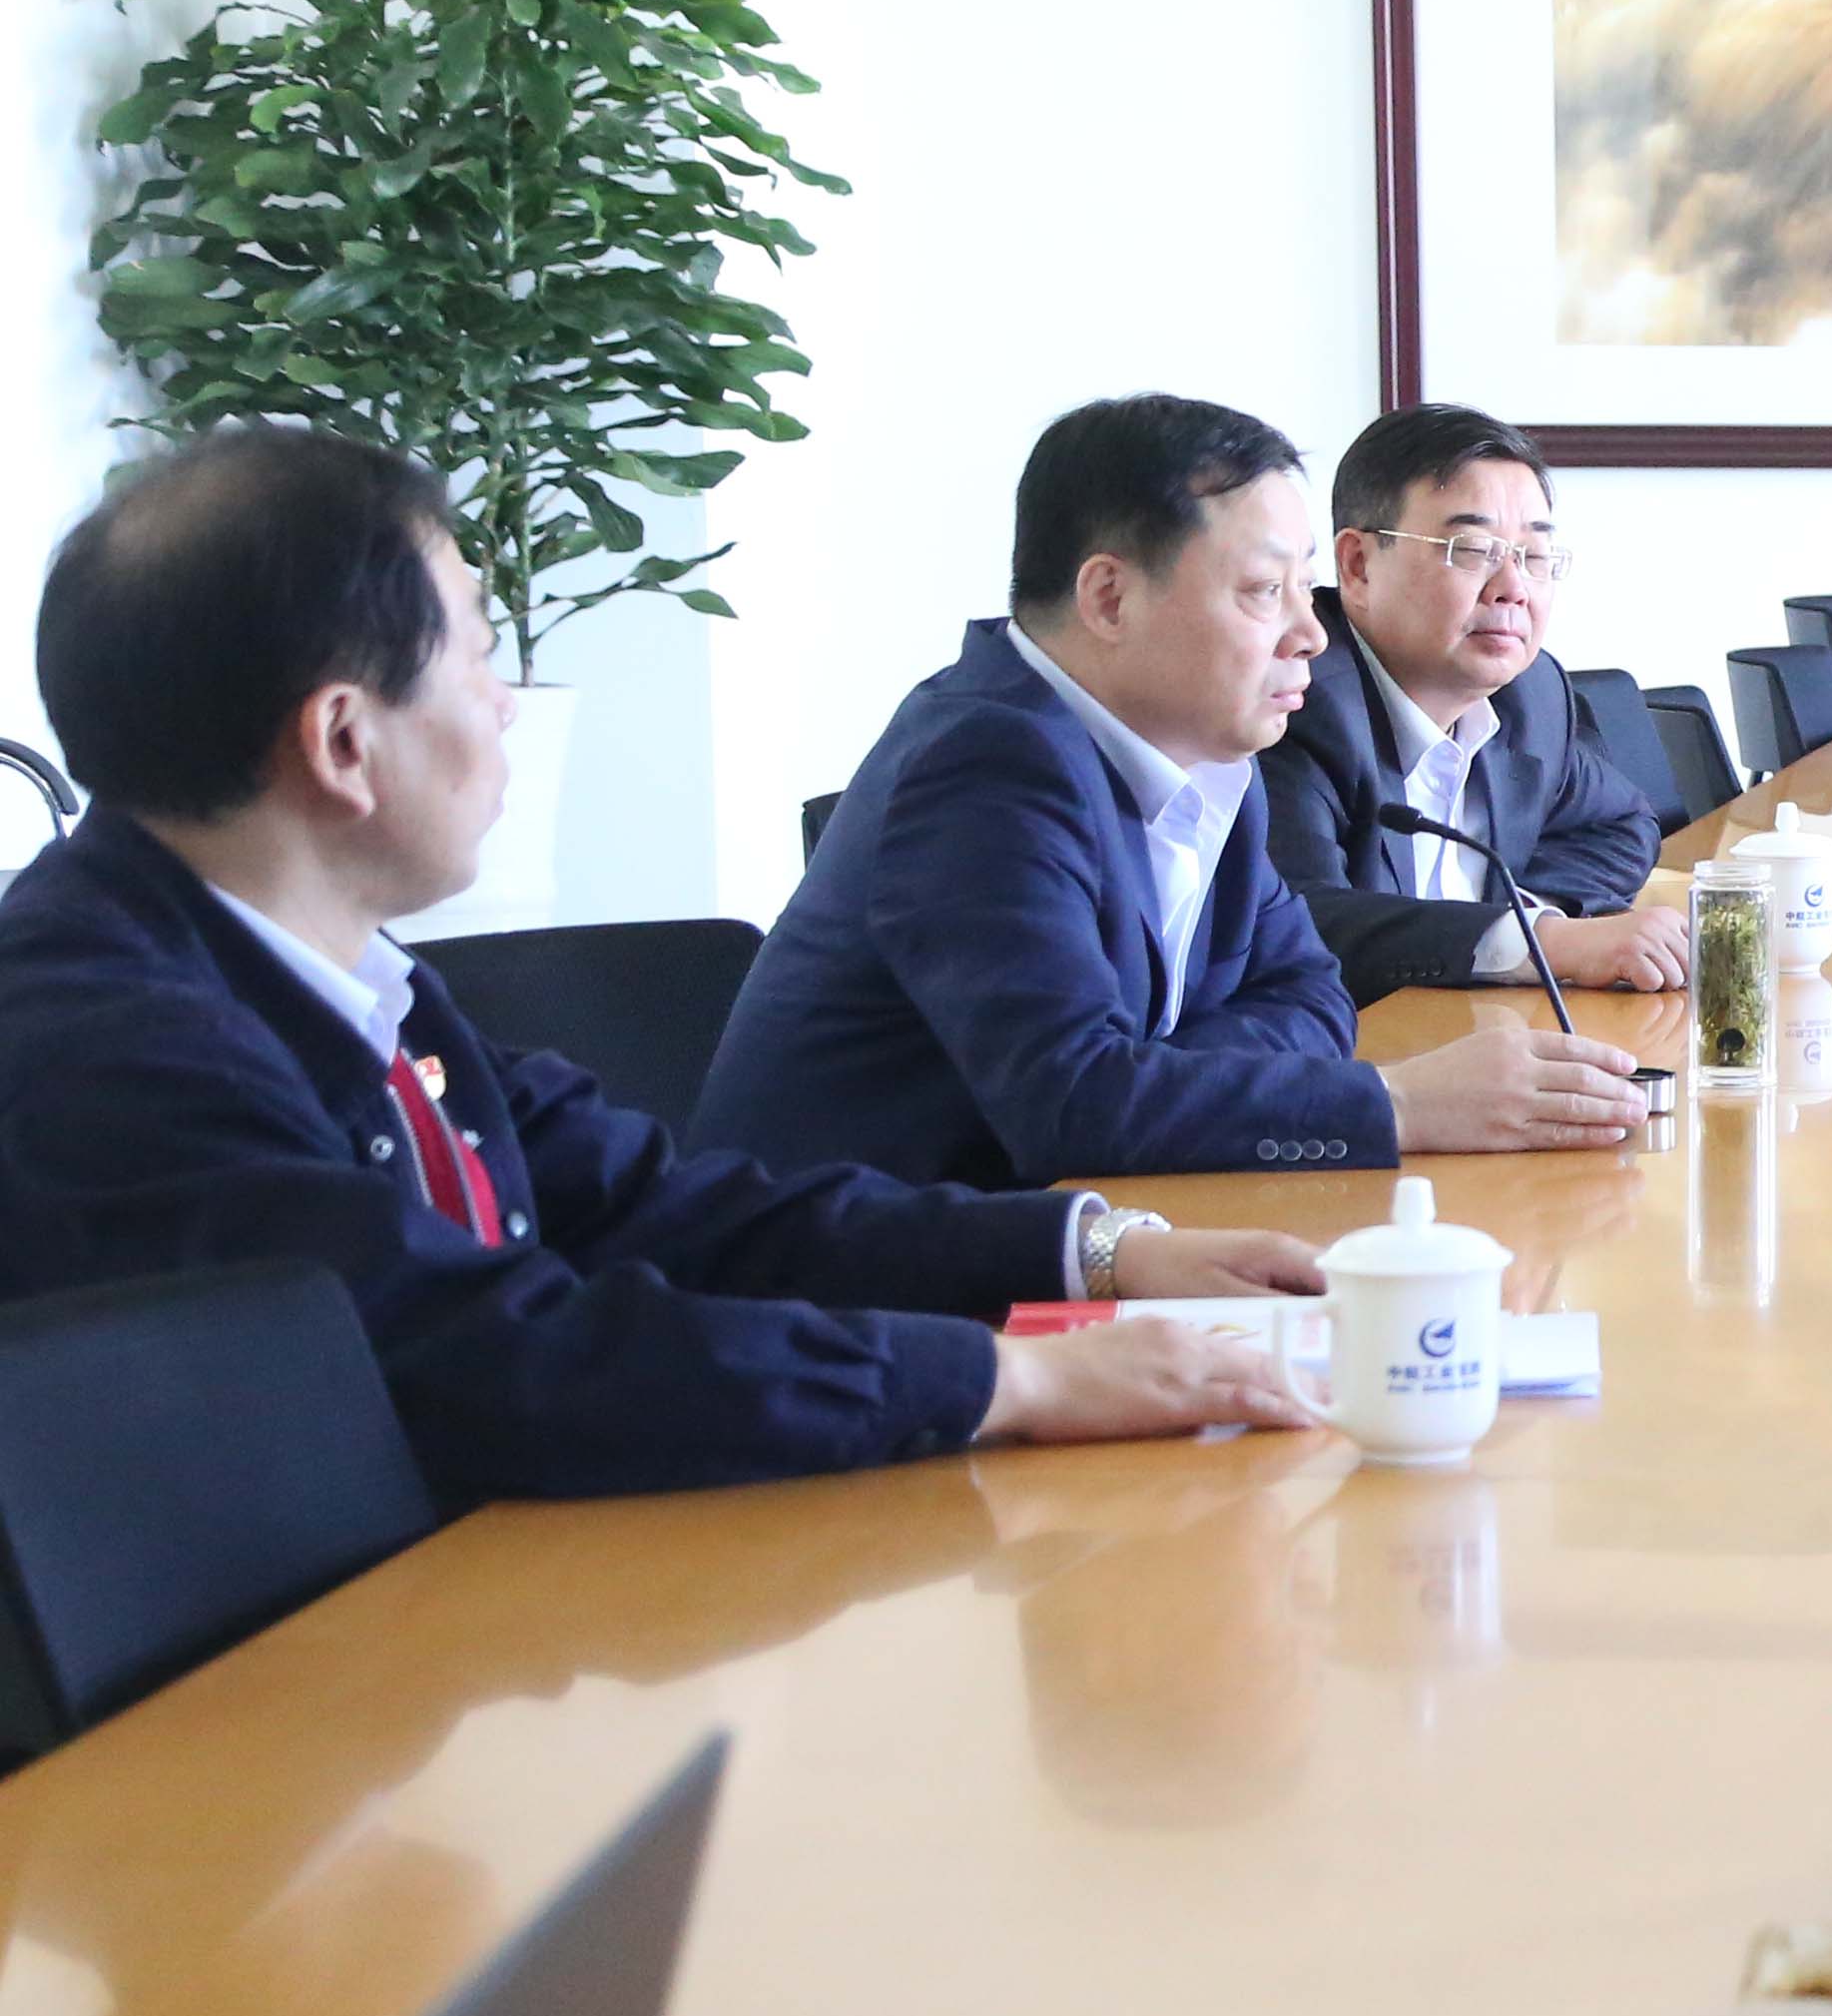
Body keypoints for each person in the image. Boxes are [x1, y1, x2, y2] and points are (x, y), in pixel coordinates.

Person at [0, 426, 1334, 1513]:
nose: (506, 705)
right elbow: (501, 1358)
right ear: (345, 744)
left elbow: (666, 1210)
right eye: (479, 656)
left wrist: (1095, 1251)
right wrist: (1009, 1382)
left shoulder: (325, 969)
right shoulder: (115, 1041)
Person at [696, 395, 1648, 1186]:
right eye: (1264, 592)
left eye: (1303, 588)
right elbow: (1076, 1107)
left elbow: (1310, 991)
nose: (1312, 635)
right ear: (1109, 598)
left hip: (1100, 1223)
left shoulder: (1208, 752)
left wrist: (1153, 1079)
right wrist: (1398, 1102)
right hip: (866, 1294)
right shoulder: (986, 762)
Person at [1253, 403, 1682, 1003]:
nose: (1513, 589)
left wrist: (1522, 923)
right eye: (1474, 550)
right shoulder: (1292, 698)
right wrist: (1543, 944)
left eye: (1534, 556)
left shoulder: (1531, 696)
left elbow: (1622, 826)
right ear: (1358, 566)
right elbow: (1299, 919)